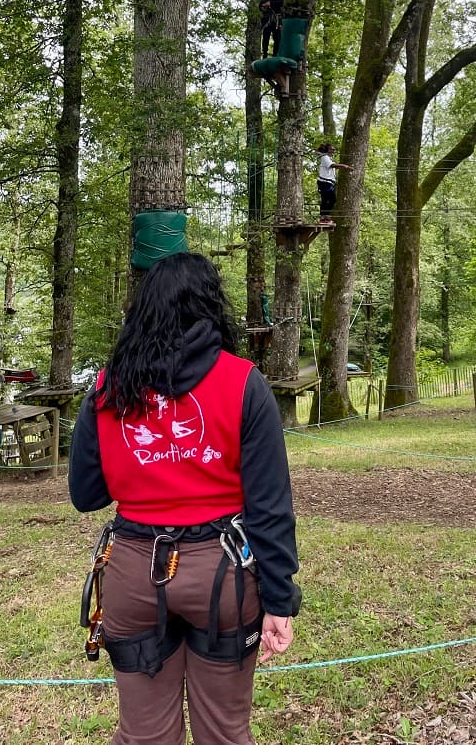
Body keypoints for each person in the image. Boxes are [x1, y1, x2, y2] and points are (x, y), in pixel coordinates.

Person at [69, 252, 301, 745]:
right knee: (223, 732)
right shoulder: (244, 383)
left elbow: (86, 494)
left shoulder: (109, 388)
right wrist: (280, 598)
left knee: (144, 735)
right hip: (221, 576)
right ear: (211, 308)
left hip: (132, 573)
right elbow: (270, 507)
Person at [316, 142, 351, 223]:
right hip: (325, 182)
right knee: (332, 199)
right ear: (327, 150)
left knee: (326, 200)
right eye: (332, 149)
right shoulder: (325, 157)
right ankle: (324, 217)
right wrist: (344, 166)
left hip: (327, 183)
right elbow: (332, 165)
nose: (334, 151)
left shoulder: (327, 158)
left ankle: (324, 218)